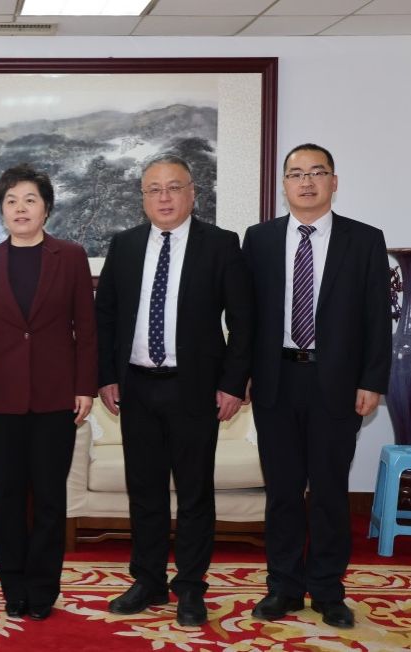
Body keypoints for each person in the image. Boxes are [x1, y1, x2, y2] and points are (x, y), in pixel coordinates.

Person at [94, 155, 252, 627]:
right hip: (137, 386)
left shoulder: (221, 244)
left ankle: (190, 587)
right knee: (144, 491)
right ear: (143, 197)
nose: (164, 197)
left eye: (174, 187)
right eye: (154, 189)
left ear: (192, 193)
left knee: (194, 492)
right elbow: (106, 317)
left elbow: (243, 321)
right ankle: (147, 580)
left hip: (195, 389)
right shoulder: (124, 245)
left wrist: (232, 384)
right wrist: (106, 376)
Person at [243, 144, 391, 629]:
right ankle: (283, 587)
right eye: (296, 174)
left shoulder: (363, 239)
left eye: (317, 172)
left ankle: (328, 590)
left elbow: (377, 317)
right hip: (276, 380)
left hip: (337, 382)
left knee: (329, 492)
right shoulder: (259, 239)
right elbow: (246, 316)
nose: (306, 182)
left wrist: (372, 380)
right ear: (284, 185)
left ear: (334, 182)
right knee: (283, 492)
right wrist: (241, 374)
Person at [0, 164, 96, 621]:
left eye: (30, 200)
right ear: (1, 210)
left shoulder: (70, 256)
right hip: (1, 396)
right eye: (11, 201)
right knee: (9, 498)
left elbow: (86, 327)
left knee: (50, 499)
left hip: (58, 396)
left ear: (46, 207)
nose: (20, 209)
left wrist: (85, 386)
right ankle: (13, 586)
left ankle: (43, 589)